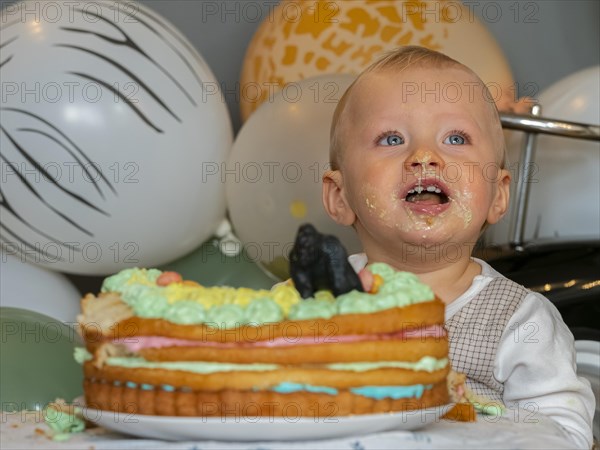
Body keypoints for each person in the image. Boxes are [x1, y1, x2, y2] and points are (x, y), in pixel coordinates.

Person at [322, 46, 594, 448]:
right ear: (340, 197)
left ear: (498, 196)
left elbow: (564, 435)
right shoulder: (313, 303)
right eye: (391, 138)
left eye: (455, 138)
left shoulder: (520, 322)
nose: (424, 157)